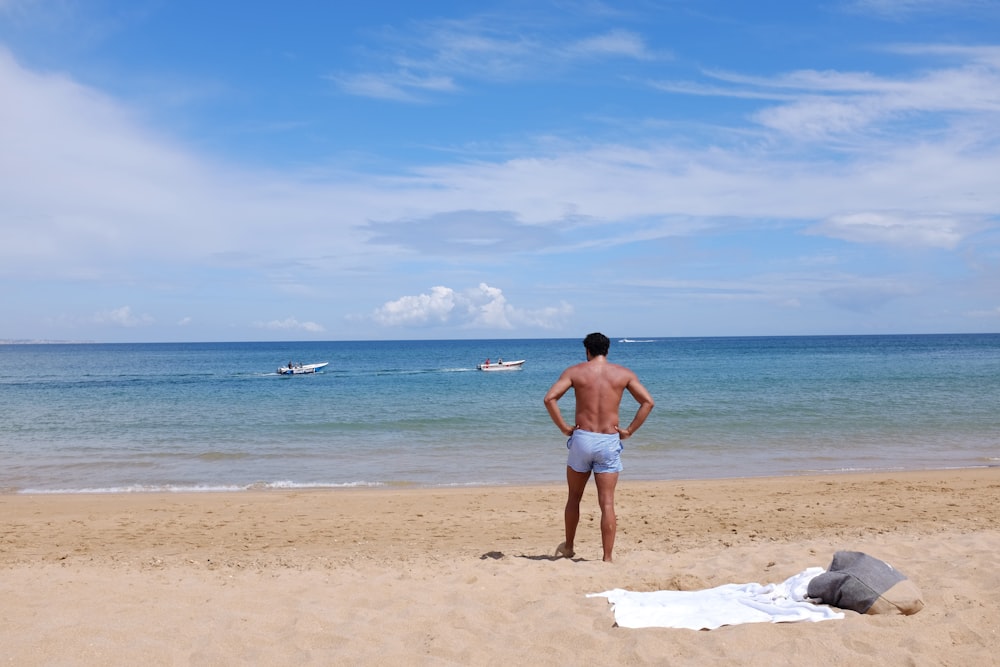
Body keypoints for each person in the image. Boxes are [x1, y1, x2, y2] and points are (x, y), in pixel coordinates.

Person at [543, 332, 654, 562]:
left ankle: (570, 547)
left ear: (587, 351)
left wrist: (564, 427)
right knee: (607, 502)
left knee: (574, 497)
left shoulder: (575, 372)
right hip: (608, 439)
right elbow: (648, 402)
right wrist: (629, 431)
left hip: (582, 438)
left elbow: (549, 398)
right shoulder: (623, 374)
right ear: (607, 350)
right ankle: (607, 558)